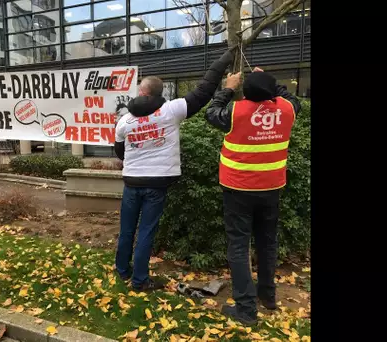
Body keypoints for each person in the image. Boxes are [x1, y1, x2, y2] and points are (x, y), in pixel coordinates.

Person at [113, 49, 236, 292]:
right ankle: (139, 281)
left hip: (131, 182)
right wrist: (223, 63)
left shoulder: (124, 121)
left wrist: (138, 156)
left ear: (142, 92)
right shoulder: (172, 110)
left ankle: (123, 270)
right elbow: (204, 91)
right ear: (160, 93)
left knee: (127, 228)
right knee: (147, 231)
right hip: (157, 183)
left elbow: (120, 152)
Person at [204, 67, 301, 325]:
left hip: (238, 189)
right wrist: (269, 81)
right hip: (271, 188)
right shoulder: (287, 110)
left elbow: (211, 113)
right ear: (271, 93)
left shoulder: (236, 111)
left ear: (245, 93)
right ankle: (267, 296)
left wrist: (228, 87)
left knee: (238, 246)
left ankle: (246, 310)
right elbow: (291, 98)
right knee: (267, 243)